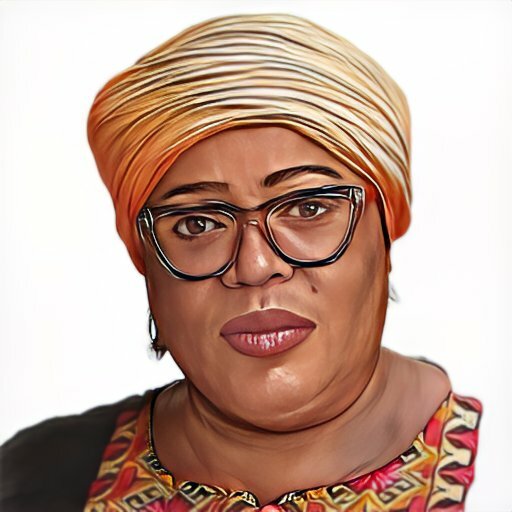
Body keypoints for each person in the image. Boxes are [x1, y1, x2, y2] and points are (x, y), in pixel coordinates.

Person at [0, 13, 482, 512]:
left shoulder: (495, 463)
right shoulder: (33, 476)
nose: (254, 266)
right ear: (145, 256)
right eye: (198, 224)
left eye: (308, 208)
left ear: (384, 230)